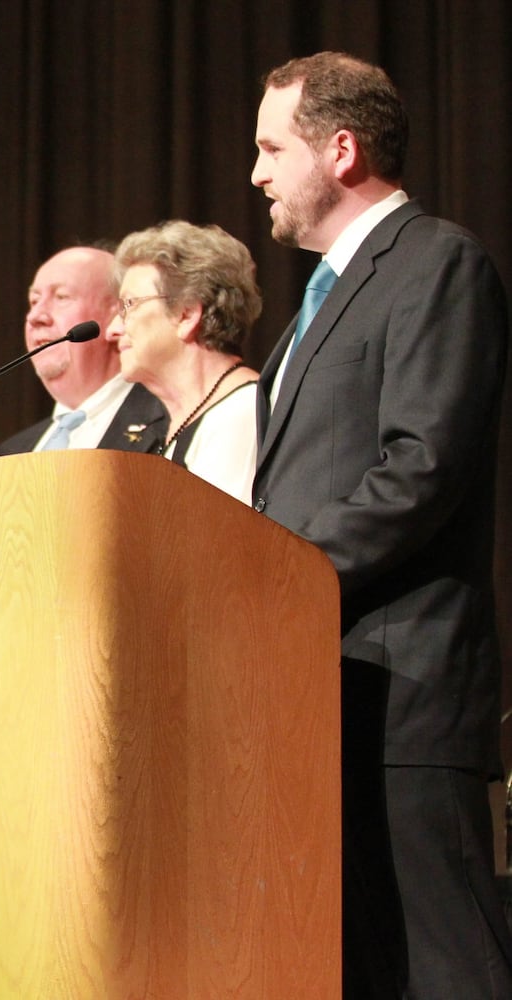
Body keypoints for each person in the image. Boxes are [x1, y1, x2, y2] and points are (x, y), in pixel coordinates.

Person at [250, 52, 512, 998]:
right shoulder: (315, 304)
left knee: (450, 967)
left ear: (343, 150)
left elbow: (422, 466)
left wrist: (274, 577)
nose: (258, 174)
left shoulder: (436, 263)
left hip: (406, 688)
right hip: (325, 689)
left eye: (273, 148)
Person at [104, 220, 262, 502]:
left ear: (187, 315)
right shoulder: (169, 424)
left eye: (129, 305)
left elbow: (218, 541)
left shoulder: (241, 412)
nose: (112, 330)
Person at [0, 245, 166, 455]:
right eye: (34, 300)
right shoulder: (11, 453)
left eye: (61, 297)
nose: (35, 317)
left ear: (118, 312)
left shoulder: (169, 425)